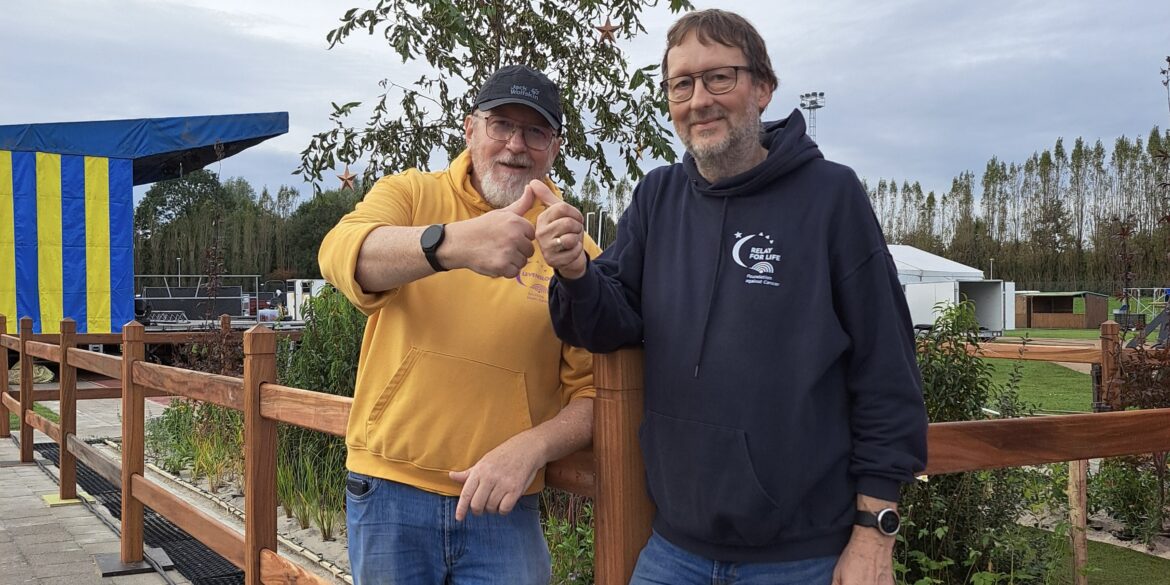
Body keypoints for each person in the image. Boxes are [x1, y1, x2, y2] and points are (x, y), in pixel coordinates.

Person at [537, 9, 927, 585]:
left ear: (763, 88)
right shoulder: (657, 198)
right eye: (682, 84)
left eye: (720, 77)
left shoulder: (831, 198)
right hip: (673, 553)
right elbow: (608, 322)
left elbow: (886, 370)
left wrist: (875, 533)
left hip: (803, 558)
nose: (699, 100)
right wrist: (574, 271)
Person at [318, 64, 598, 585]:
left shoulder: (572, 250)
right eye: (500, 125)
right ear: (470, 129)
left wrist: (533, 448)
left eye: (535, 131)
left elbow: (594, 394)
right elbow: (340, 254)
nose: (516, 145)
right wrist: (452, 245)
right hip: (388, 493)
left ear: (554, 147)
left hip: (505, 506)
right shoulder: (411, 195)